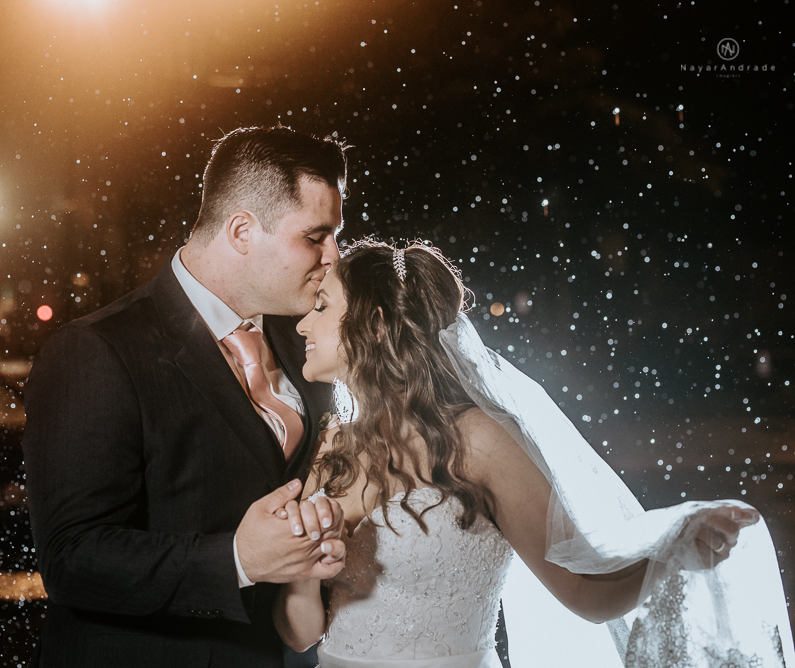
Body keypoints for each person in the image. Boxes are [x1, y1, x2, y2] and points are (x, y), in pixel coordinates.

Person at [273, 239, 794, 668]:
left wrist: (670, 550)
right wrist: (299, 576)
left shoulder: (478, 441)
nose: (302, 324)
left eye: (322, 307)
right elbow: (300, 635)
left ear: (377, 325)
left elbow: (584, 595)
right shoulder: (332, 446)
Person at [21, 126, 353, 667]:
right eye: (315, 237)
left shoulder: (307, 347)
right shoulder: (95, 350)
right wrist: (236, 560)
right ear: (242, 230)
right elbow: (72, 559)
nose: (332, 257)